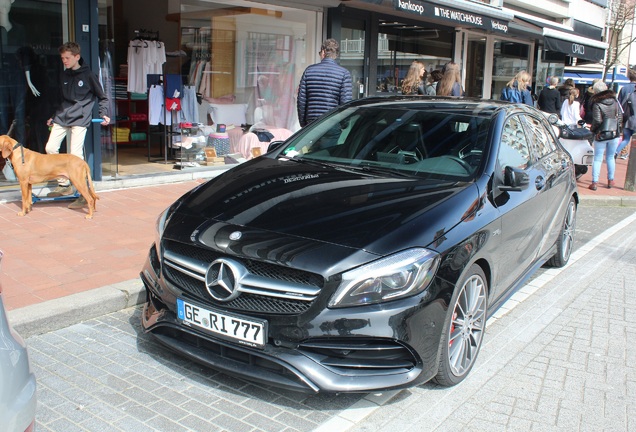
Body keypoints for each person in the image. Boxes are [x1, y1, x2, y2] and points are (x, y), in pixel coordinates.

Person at [45, 42, 110, 208]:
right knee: (51, 148)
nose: (64, 61)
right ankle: (64, 184)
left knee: (75, 155)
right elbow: (61, 99)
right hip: (62, 116)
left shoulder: (89, 75)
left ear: (77, 57)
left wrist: (103, 114)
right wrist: (53, 117)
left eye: (67, 58)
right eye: (62, 58)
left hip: (80, 118)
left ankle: (83, 192)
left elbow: (102, 97)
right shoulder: (64, 75)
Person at [297, 38, 352, 127]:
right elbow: (345, 102)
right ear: (336, 55)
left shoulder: (309, 71)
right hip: (332, 122)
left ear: (323, 52)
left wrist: (303, 123)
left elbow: (302, 100)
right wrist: (344, 124)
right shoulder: (344, 73)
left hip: (311, 122)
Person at [588, 80, 622, 191]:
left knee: (597, 158)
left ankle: (595, 182)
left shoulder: (597, 103)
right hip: (614, 133)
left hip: (601, 134)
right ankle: (611, 180)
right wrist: (618, 129)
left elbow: (597, 120)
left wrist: (593, 130)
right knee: (610, 157)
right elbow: (620, 116)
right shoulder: (615, 101)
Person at [615, 68, 636, 159]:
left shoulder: (624, 88)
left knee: (626, 137)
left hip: (625, 116)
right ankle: (624, 153)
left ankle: (620, 152)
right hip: (634, 116)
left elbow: (618, 103)